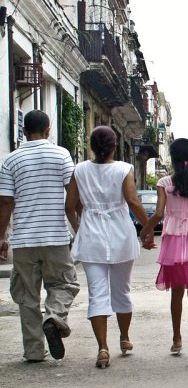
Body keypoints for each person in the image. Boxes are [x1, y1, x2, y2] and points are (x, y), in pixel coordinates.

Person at [65, 126, 150, 369]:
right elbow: (133, 201)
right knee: (122, 290)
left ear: (91, 146)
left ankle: (103, 348)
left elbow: (69, 205)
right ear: (114, 146)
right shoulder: (124, 169)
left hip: (91, 234)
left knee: (97, 293)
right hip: (121, 234)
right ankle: (124, 338)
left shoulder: (79, 170)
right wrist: (148, 229)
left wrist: (79, 229)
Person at [0, 110, 80, 362]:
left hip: (24, 240)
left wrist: (1, 237)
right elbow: (74, 194)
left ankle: (34, 351)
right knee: (64, 284)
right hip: (55, 236)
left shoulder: (10, 160)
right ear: (48, 130)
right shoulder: (61, 155)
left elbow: (5, 202)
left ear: (24, 130)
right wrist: (81, 228)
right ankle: (55, 316)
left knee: (27, 295)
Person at [140, 138, 188, 368]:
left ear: (173, 158)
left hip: (174, 240)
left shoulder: (165, 182)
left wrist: (145, 231)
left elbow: (159, 213)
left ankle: (176, 339)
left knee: (176, 292)